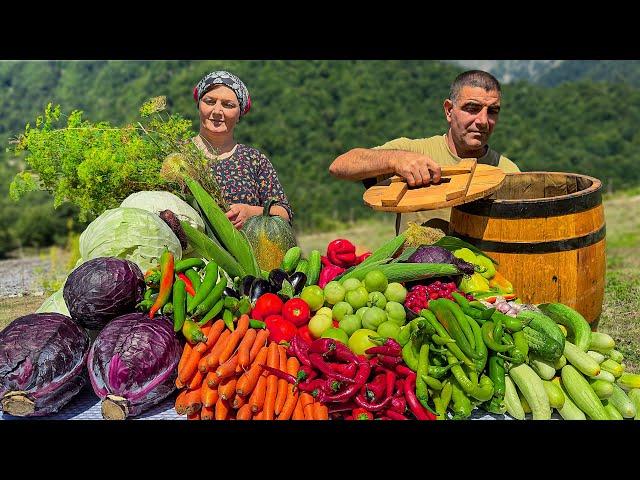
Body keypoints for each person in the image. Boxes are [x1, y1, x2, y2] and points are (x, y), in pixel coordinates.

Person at [328, 70, 520, 233]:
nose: (483, 121)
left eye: (492, 111)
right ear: (448, 111)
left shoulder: (507, 171)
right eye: (472, 108)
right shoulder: (413, 152)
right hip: (414, 275)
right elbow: (339, 166)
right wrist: (396, 160)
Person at [192, 70, 293, 229]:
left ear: (239, 114)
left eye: (228, 105)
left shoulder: (254, 159)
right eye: (210, 101)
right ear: (199, 105)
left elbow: (284, 212)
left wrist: (252, 213)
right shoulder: (177, 154)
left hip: (247, 252)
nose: (217, 111)